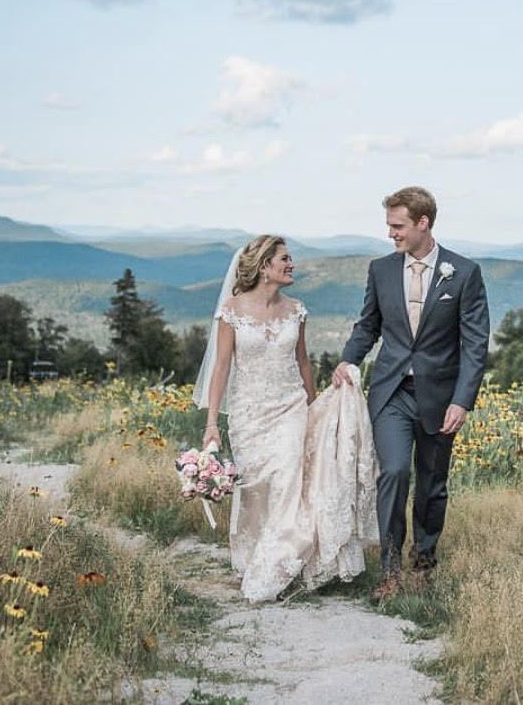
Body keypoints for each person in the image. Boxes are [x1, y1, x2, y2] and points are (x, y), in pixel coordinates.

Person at [193, 235, 377, 602]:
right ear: (264, 267)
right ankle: (254, 557)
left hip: (291, 409)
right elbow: (221, 368)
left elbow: (303, 363)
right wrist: (212, 424)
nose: (291, 264)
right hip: (249, 414)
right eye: (285, 259)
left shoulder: (297, 309)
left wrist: (313, 409)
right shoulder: (231, 310)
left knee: (289, 484)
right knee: (255, 490)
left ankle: (280, 568)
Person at [333, 186, 489, 601]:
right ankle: (389, 569)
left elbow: (475, 344)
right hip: (391, 392)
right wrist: (348, 361)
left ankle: (424, 560)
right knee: (395, 472)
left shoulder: (465, 273)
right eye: (389, 225)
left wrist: (462, 400)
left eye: (397, 225)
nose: (391, 234)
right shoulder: (380, 270)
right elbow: (368, 325)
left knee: (433, 483)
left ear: (423, 223)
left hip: (441, 397)